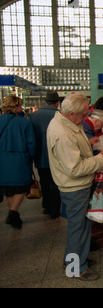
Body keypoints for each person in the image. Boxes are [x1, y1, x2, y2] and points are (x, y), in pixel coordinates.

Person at [47, 93, 103, 281]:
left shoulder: (67, 123)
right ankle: (76, 268)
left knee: (80, 226)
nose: (85, 119)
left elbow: (74, 153)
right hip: (74, 187)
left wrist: (88, 144)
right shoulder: (63, 133)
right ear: (71, 112)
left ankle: (73, 260)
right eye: (83, 115)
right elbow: (75, 168)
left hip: (75, 185)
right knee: (77, 227)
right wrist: (101, 158)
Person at [0, 96, 36, 229]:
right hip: (19, 159)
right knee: (22, 187)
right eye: (19, 106)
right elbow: (31, 143)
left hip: (2, 160)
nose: (21, 108)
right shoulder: (24, 122)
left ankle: (15, 217)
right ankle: (13, 212)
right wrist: (32, 156)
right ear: (14, 107)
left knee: (9, 189)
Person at [29, 91, 62, 219]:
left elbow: (31, 137)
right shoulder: (58, 115)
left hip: (40, 155)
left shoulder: (34, 115)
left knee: (44, 181)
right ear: (57, 102)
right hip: (56, 155)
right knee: (55, 183)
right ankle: (54, 209)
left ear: (45, 101)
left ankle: (46, 206)